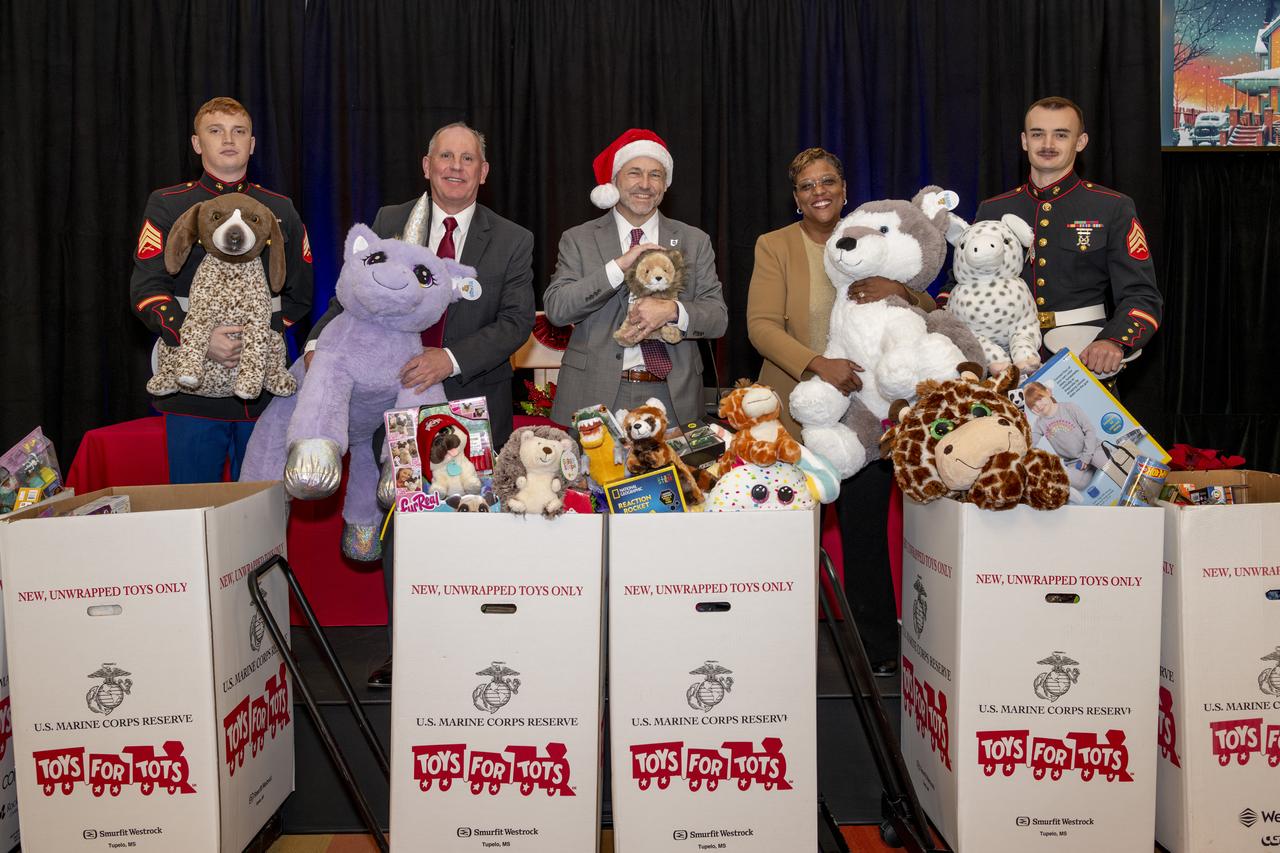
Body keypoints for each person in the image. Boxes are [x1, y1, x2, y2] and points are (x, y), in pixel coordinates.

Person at [308, 122, 535, 687]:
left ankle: (484, 655)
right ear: (426, 164)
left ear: (484, 172)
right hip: (397, 407)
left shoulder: (512, 239)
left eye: (468, 159)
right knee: (406, 534)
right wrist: (317, 342)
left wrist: (448, 360)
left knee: (474, 535)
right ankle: (406, 654)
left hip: (470, 403)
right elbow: (353, 295)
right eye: (445, 157)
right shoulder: (388, 224)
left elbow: (514, 323)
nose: (455, 167)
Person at [747, 148, 937, 675]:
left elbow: (930, 305)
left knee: (864, 533)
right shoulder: (775, 246)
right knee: (784, 536)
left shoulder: (874, 232)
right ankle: (771, 651)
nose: (818, 192)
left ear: (845, 188)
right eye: (806, 186)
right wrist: (817, 364)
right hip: (794, 408)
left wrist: (902, 290)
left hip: (866, 416)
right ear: (796, 197)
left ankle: (874, 649)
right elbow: (760, 326)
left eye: (827, 181)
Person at [131, 96, 313, 483]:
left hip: (262, 392)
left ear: (252, 143)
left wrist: (256, 340)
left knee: (264, 517)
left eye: (238, 131)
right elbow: (148, 289)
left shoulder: (280, 207)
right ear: (197, 143)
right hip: (191, 390)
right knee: (193, 514)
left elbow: (300, 294)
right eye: (215, 131)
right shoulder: (169, 205)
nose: (228, 140)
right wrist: (200, 337)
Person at [544, 129, 727, 426]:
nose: (645, 184)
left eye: (655, 175)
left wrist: (673, 311)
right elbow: (558, 308)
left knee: (673, 475)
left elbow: (717, 318)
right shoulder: (578, 239)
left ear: (665, 185)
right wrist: (618, 267)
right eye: (634, 173)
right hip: (596, 393)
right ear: (615, 180)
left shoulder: (694, 240)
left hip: (673, 395)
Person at [971, 96, 1162, 379]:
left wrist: (1114, 340)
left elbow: (1142, 295)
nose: (1048, 144)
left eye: (1061, 134)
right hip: (1003, 359)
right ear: (1024, 141)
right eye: (1038, 134)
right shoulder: (994, 209)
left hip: (1084, 355)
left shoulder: (1112, 207)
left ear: (1081, 141)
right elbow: (961, 283)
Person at [1024, 380, 1107, 491]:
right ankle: (1090, 469)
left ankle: (1099, 461)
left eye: (1039, 399)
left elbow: (1090, 430)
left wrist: (1087, 456)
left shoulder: (1069, 408)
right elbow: (1031, 442)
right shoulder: (1040, 423)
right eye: (1033, 406)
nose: (1038, 406)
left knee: (1104, 464)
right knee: (1074, 482)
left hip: (1093, 449)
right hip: (1074, 461)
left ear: (1048, 392)